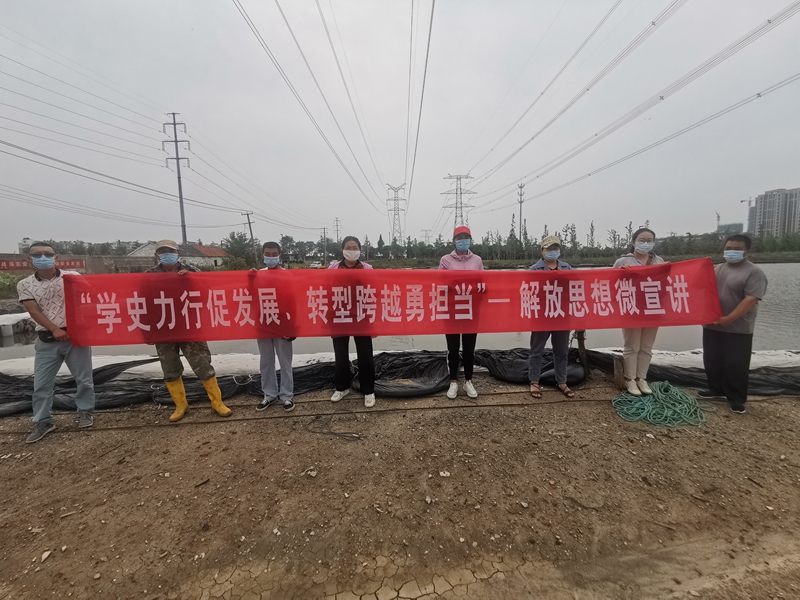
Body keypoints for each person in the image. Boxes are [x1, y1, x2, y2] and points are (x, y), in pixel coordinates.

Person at [17, 242, 96, 443]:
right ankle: (43, 420)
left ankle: (85, 411)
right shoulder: (25, 284)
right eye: (37, 255)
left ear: (56, 257)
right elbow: (34, 311)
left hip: (76, 338)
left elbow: (91, 297)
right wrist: (54, 329)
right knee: (41, 384)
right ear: (29, 259)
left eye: (47, 254)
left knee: (84, 379)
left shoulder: (72, 277)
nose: (43, 258)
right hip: (47, 340)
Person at [146, 240, 232, 421]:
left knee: (203, 364)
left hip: (190, 326)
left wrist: (191, 280)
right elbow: (143, 304)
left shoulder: (192, 271)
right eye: (162, 252)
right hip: (163, 328)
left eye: (170, 252)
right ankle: (180, 405)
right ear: (157, 255)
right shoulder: (149, 276)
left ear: (178, 254)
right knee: (170, 368)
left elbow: (208, 291)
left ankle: (217, 402)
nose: (166, 255)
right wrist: (147, 331)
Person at [700, 234, 767, 414]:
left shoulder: (754, 272)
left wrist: (729, 318)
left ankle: (736, 397)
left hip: (738, 327)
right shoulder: (717, 269)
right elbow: (701, 289)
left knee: (736, 363)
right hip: (713, 323)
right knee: (712, 358)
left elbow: (751, 299)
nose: (732, 252)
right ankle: (715, 388)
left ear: (746, 251)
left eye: (737, 249)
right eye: (729, 248)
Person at [613, 228, 665, 396]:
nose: (646, 243)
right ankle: (630, 379)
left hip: (653, 309)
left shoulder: (659, 261)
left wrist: (668, 270)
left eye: (649, 240)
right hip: (632, 310)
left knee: (646, 347)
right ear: (633, 242)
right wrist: (620, 274)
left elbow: (666, 286)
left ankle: (642, 378)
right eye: (642, 240)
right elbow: (610, 285)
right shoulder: (623, 261)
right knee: (632, 346)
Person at [328, 236, 376, 408]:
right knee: (340, 353)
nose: (351, 250)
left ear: (360, 250)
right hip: (339, 315)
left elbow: (374, 293)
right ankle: (342, 387)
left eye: (355, 248)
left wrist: (374, 320)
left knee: (365, 354)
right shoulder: (333, 268)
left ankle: (368, 390)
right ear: (342, 250)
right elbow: (324, 290)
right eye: (348, 247)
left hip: (362, 316)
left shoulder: (367, 269)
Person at [439, 225, 483, 399]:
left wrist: (481, 287)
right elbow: (440, 283)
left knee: (469, 348)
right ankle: (453, 382)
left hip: (471, 309)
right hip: (452, 309)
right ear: (454, 241)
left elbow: (482, 281)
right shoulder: (446, 260)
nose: (463, 241)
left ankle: (468, 381)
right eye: (459, 238)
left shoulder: (477, 260)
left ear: (470, 240)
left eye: (466, 238)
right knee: (453, 347)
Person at [528, 236, 575, 399]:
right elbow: (529, 291)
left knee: (561, 351)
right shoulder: (535, 269)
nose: (552, 252)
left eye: (555, 249)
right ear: (543, 251)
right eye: (549, 249)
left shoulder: (567, 267)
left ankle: (562, 381)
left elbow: (576, 287)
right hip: (542, 316)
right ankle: (534, 381)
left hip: (562, 315)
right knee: (537, 350)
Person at [255, 241, 295, 412]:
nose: (271, 257)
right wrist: (248, 278)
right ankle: (269, 395)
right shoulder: (258, 274)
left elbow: (293, 301)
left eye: (274, 254)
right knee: (266, 361)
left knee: (285, 361)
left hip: (282, 322)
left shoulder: (287, 275)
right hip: (263, 322)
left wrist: (293, 327)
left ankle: (287, 396)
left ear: (280, 255)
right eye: (267, 254)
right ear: (262, 255)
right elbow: (249, 296)